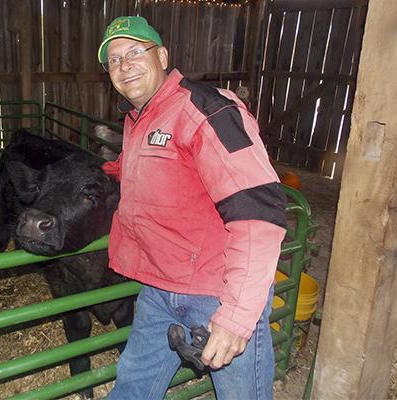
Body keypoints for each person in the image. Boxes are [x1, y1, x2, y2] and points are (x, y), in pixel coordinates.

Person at [98, 16, 287, 399]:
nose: (124, 65)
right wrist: (109, 171)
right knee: (131, 388)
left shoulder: (205, 109)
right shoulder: (138, 118)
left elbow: (259, 211)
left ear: (163, 55)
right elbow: (166, 168)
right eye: (114, 60)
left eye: (135, 51)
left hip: (216, 293)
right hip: (159, 290)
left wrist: (236, 316)